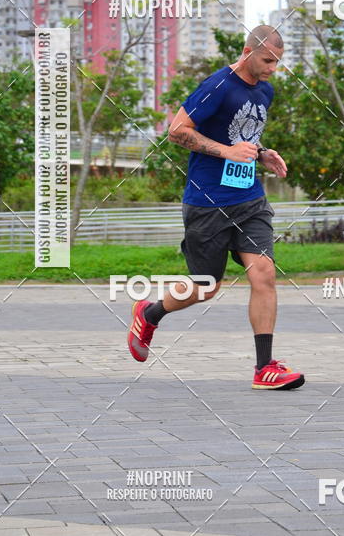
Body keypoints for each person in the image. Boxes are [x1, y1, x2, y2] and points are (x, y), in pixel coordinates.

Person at [127, 24, 305, 390]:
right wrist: (226, 152)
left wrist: (262, 153)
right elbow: (176, 130)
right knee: (206, 286)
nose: (273, 68)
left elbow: (241, 136)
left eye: (278, 62)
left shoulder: (266, 91)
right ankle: (150, 312)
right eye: (268, 60)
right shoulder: (217, 86)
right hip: (208, 202)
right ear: (247, 51)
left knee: (264, 274)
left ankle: (264, 368)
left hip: (250, 200)